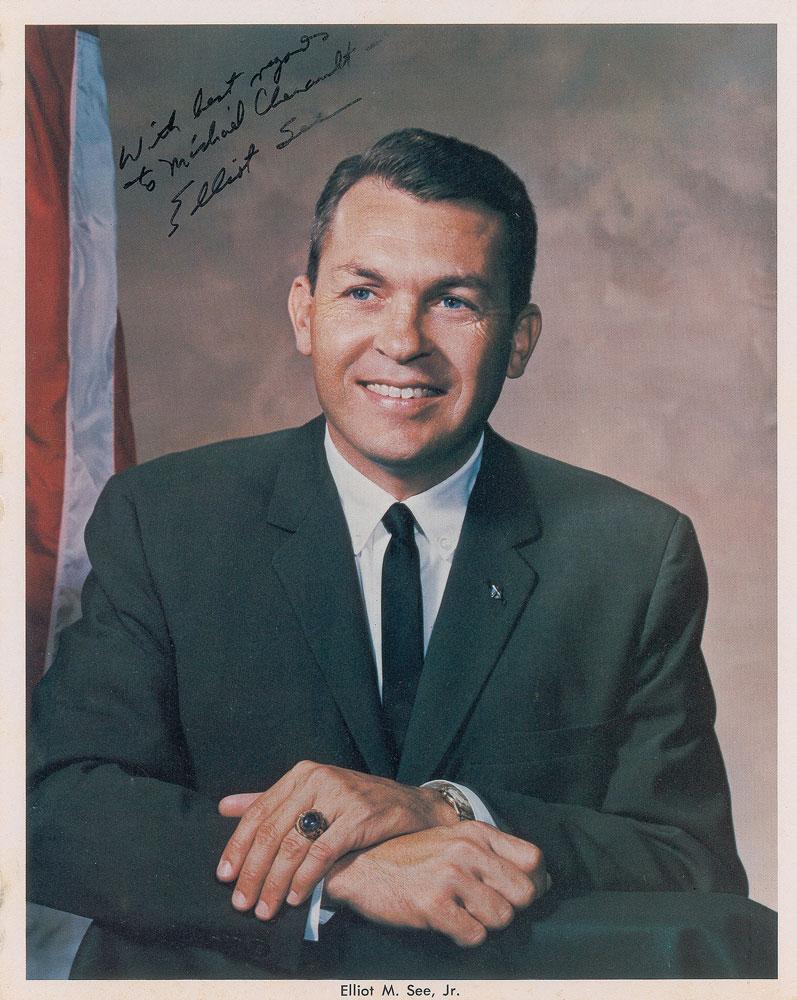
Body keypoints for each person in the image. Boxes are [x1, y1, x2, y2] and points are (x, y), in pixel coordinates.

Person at [28, 129, 772, 980]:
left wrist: (446, 811)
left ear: (519, 339)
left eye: (453, 301)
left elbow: (689, 864)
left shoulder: (631, 551)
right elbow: (53, 809)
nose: (402, 339)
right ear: (305, 313)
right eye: (363, 291)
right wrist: (341, 876)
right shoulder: (165, 518)